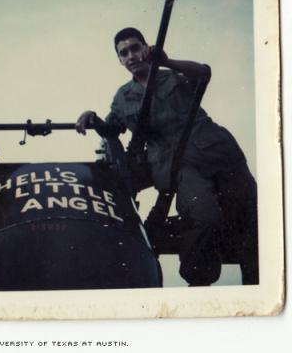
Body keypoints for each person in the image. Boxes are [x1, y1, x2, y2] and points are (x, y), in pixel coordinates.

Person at [75, 27, 258, 286]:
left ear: (147, 48)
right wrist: (92, 117)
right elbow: (112, 128)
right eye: (123, 53)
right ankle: (198, 279)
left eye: (135, 48)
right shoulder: (122, 97)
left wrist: (167, 61)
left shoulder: (174, 76)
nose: (131, 56)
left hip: (220, 156)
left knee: (254, 223)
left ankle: (256, 290)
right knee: (204, 217)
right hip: (178, 166)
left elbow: (204, 73)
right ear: (119, 59)